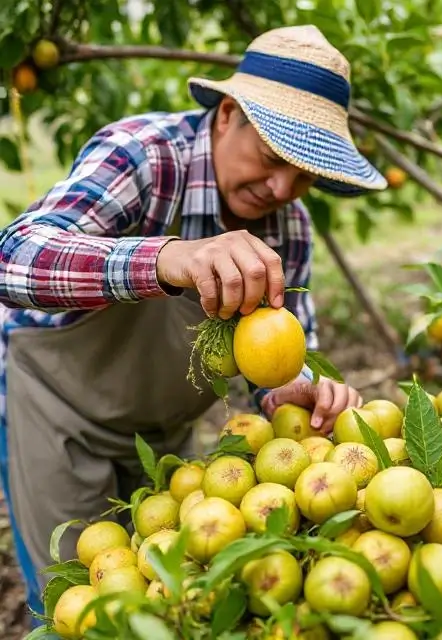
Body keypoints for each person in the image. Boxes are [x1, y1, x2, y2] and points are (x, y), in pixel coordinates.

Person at [0, 24, 387, 615]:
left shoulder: (289, 228)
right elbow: (15, 259)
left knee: (161, 599)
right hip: (59, 414)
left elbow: (281, 360)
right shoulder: (145, 157)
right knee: (76, 601)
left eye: (304, 175)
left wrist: (294, 388)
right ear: (228, 114)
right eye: (271, 157)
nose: (283, 187)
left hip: (164, 439)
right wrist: (168, 257)